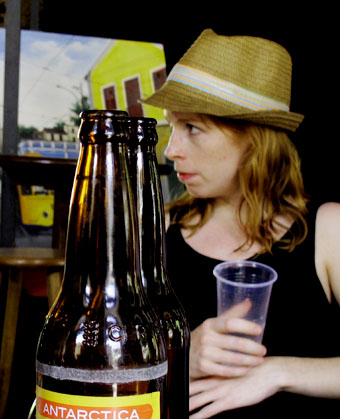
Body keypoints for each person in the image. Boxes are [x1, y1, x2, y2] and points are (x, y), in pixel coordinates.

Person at [142, 29, 340, 417]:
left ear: (254, 139)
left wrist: (277, 372)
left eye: (192, 128)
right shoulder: (159, 227)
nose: (171, 150)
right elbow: (101, 365)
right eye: (172, 126)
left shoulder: (329, 229)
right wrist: (180, 355)